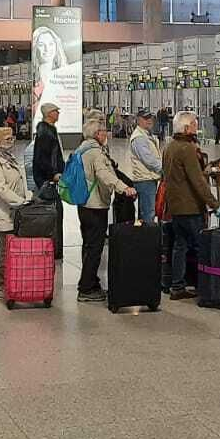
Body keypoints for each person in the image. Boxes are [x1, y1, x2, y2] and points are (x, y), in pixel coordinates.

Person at [71, 118, 136, 303]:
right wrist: (123, 188)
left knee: (88, 244)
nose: (106, 134)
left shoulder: (81, 149)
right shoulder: (95, 152)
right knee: (95, 247)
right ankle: (86, 288)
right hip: (95, 205)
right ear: (97, 134)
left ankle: (91, 282)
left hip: (84, 203)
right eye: (104, 131)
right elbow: (104, 174)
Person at [159, 111, 216, 301]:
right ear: (185, 128)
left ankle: (177, 286)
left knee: (180, 245)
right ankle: (205, 287)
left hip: (175, 206)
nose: (196, 127)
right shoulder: (187, 149)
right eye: (194, 124)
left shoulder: (169, 147)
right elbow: (197, 181)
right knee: (201, 247)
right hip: (190, 207)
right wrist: (214, 203)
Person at [0, 127, 28, 299]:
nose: (12, 141)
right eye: (8, 139)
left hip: (13, 211)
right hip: (1, 213)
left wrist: (27, 197)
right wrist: (19, 201)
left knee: (11, 250)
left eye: (12, 138)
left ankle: (11, 281)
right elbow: (0, 188)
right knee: (3, 251)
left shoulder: (9, 158)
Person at [126, 110, 162, 224]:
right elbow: (149, 160)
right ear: (139, 120)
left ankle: (144, 232)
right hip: (145, 180)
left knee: (146, 212)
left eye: (150, 118)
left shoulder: (147, 134)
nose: (149, 121)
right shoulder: (139, 137)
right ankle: (147, 233)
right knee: (148, 213)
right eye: (146, 118)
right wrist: (164, 169)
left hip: (149, 178)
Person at [32, 102, 65, 189]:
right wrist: (53, 174)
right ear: (49, 114)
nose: (58, 113)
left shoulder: (50, 129)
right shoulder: (45, 133)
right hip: (47, 178)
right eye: (55, 111)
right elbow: (43, 157)